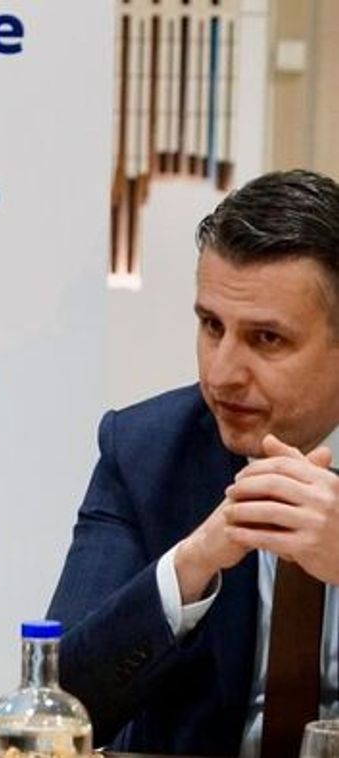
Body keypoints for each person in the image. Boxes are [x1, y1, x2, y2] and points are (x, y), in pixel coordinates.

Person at [48, 169, 339, 755]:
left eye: (267, 339)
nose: (222, 373)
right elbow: (56, 708)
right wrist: (190, 565)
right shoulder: (146, 451)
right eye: (211, 326)